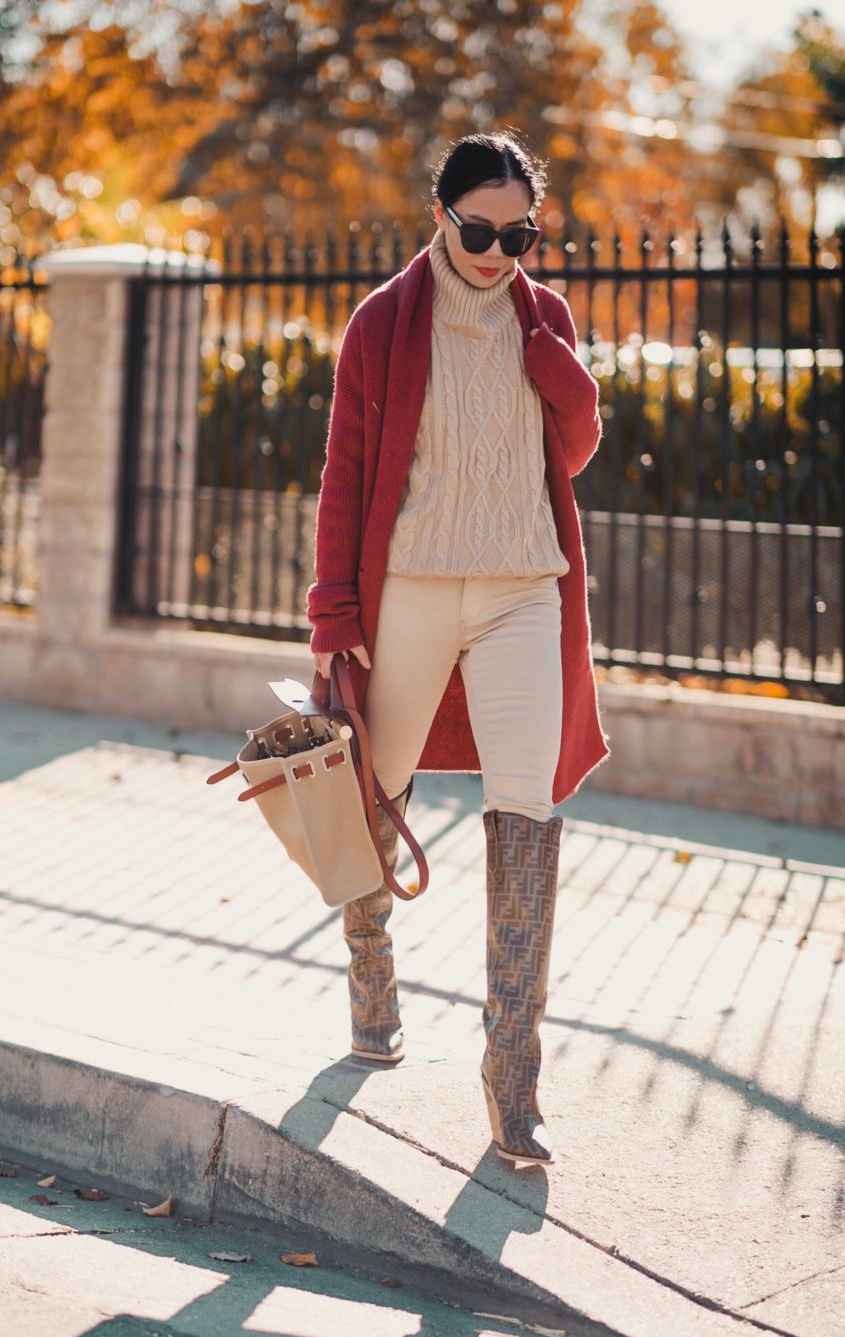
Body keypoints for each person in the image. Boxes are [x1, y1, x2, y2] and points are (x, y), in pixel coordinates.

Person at [307, 132, 610, 1165]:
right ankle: (370, 970)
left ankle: (510, 1075)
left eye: (517, 232)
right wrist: (334, 619)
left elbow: (570, 449)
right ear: (438, 215)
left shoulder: (544, 315)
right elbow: (345, 470)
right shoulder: (385, 321)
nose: (495, 251)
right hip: (412, 591)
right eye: (476, 230)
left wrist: (560, 373)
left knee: (527, 803)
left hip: (524, 588)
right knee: (371, 786)